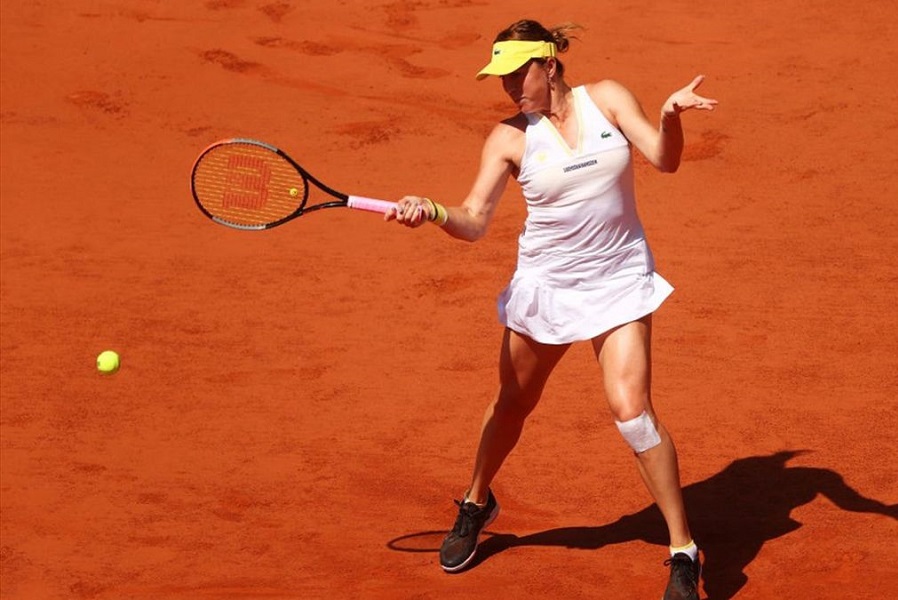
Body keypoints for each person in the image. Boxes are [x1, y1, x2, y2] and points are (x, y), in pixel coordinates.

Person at [386, 19, 717, 600]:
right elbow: (474, 220)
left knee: (633, 413)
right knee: (513, 403)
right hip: (549, 287)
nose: (510, 87)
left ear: (550, 65)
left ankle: (683, 551)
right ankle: (477, 500)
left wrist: (670, 116)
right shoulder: (508, 138)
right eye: (502, 78)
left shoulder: (608, 99)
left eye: (519, 74)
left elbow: (665, 160)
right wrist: (433, 210)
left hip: (617, 279)